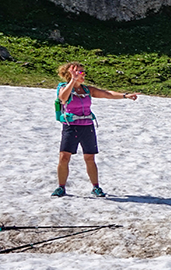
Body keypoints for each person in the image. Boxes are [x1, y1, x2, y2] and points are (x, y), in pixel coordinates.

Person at [52, 62, 139, 198]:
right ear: (70, 74)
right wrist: (73, 81)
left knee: (90, 157)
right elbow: (63, 98)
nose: (83, 74)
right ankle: (61, 187)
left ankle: (96, 187)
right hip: (71, 126)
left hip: (87, 126)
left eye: (83, 72)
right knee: (64, 157)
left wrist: (125, 95)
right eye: (80, 72)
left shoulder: (87, 90)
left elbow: (107, 94)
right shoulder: (63, 88)